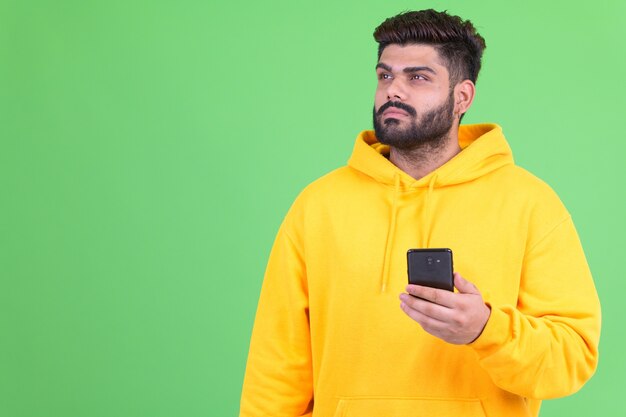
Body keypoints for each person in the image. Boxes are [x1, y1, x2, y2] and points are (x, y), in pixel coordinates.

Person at [239, 9, 601, 417]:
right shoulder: (318, 205)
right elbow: (275, 368)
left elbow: (571, 359)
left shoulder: (529, 203)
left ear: (462, 97)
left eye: (418, 77)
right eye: (385, 76)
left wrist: (486, 330)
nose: (394, 90)